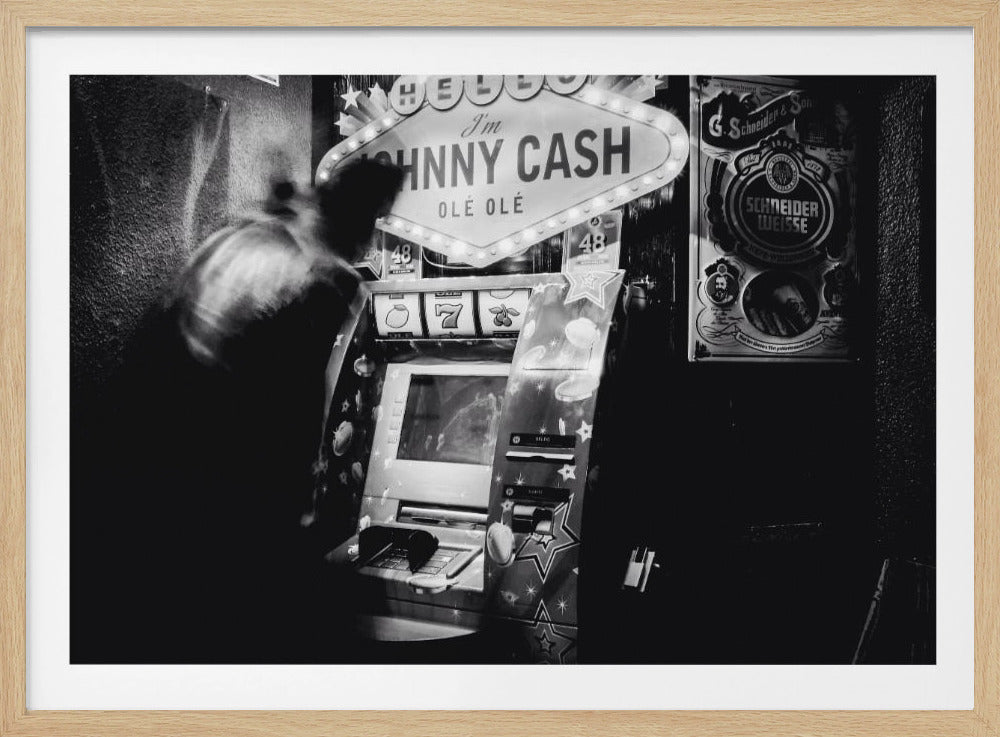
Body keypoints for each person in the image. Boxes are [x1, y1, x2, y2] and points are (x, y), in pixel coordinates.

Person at [88, 159, 403, 663]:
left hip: (133, 480)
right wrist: (303, 514)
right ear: (355, 223)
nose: (367, 245)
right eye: (370, 225)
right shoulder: (318, 279)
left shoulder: (243, 236)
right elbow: (293, 414)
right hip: (217, 498)